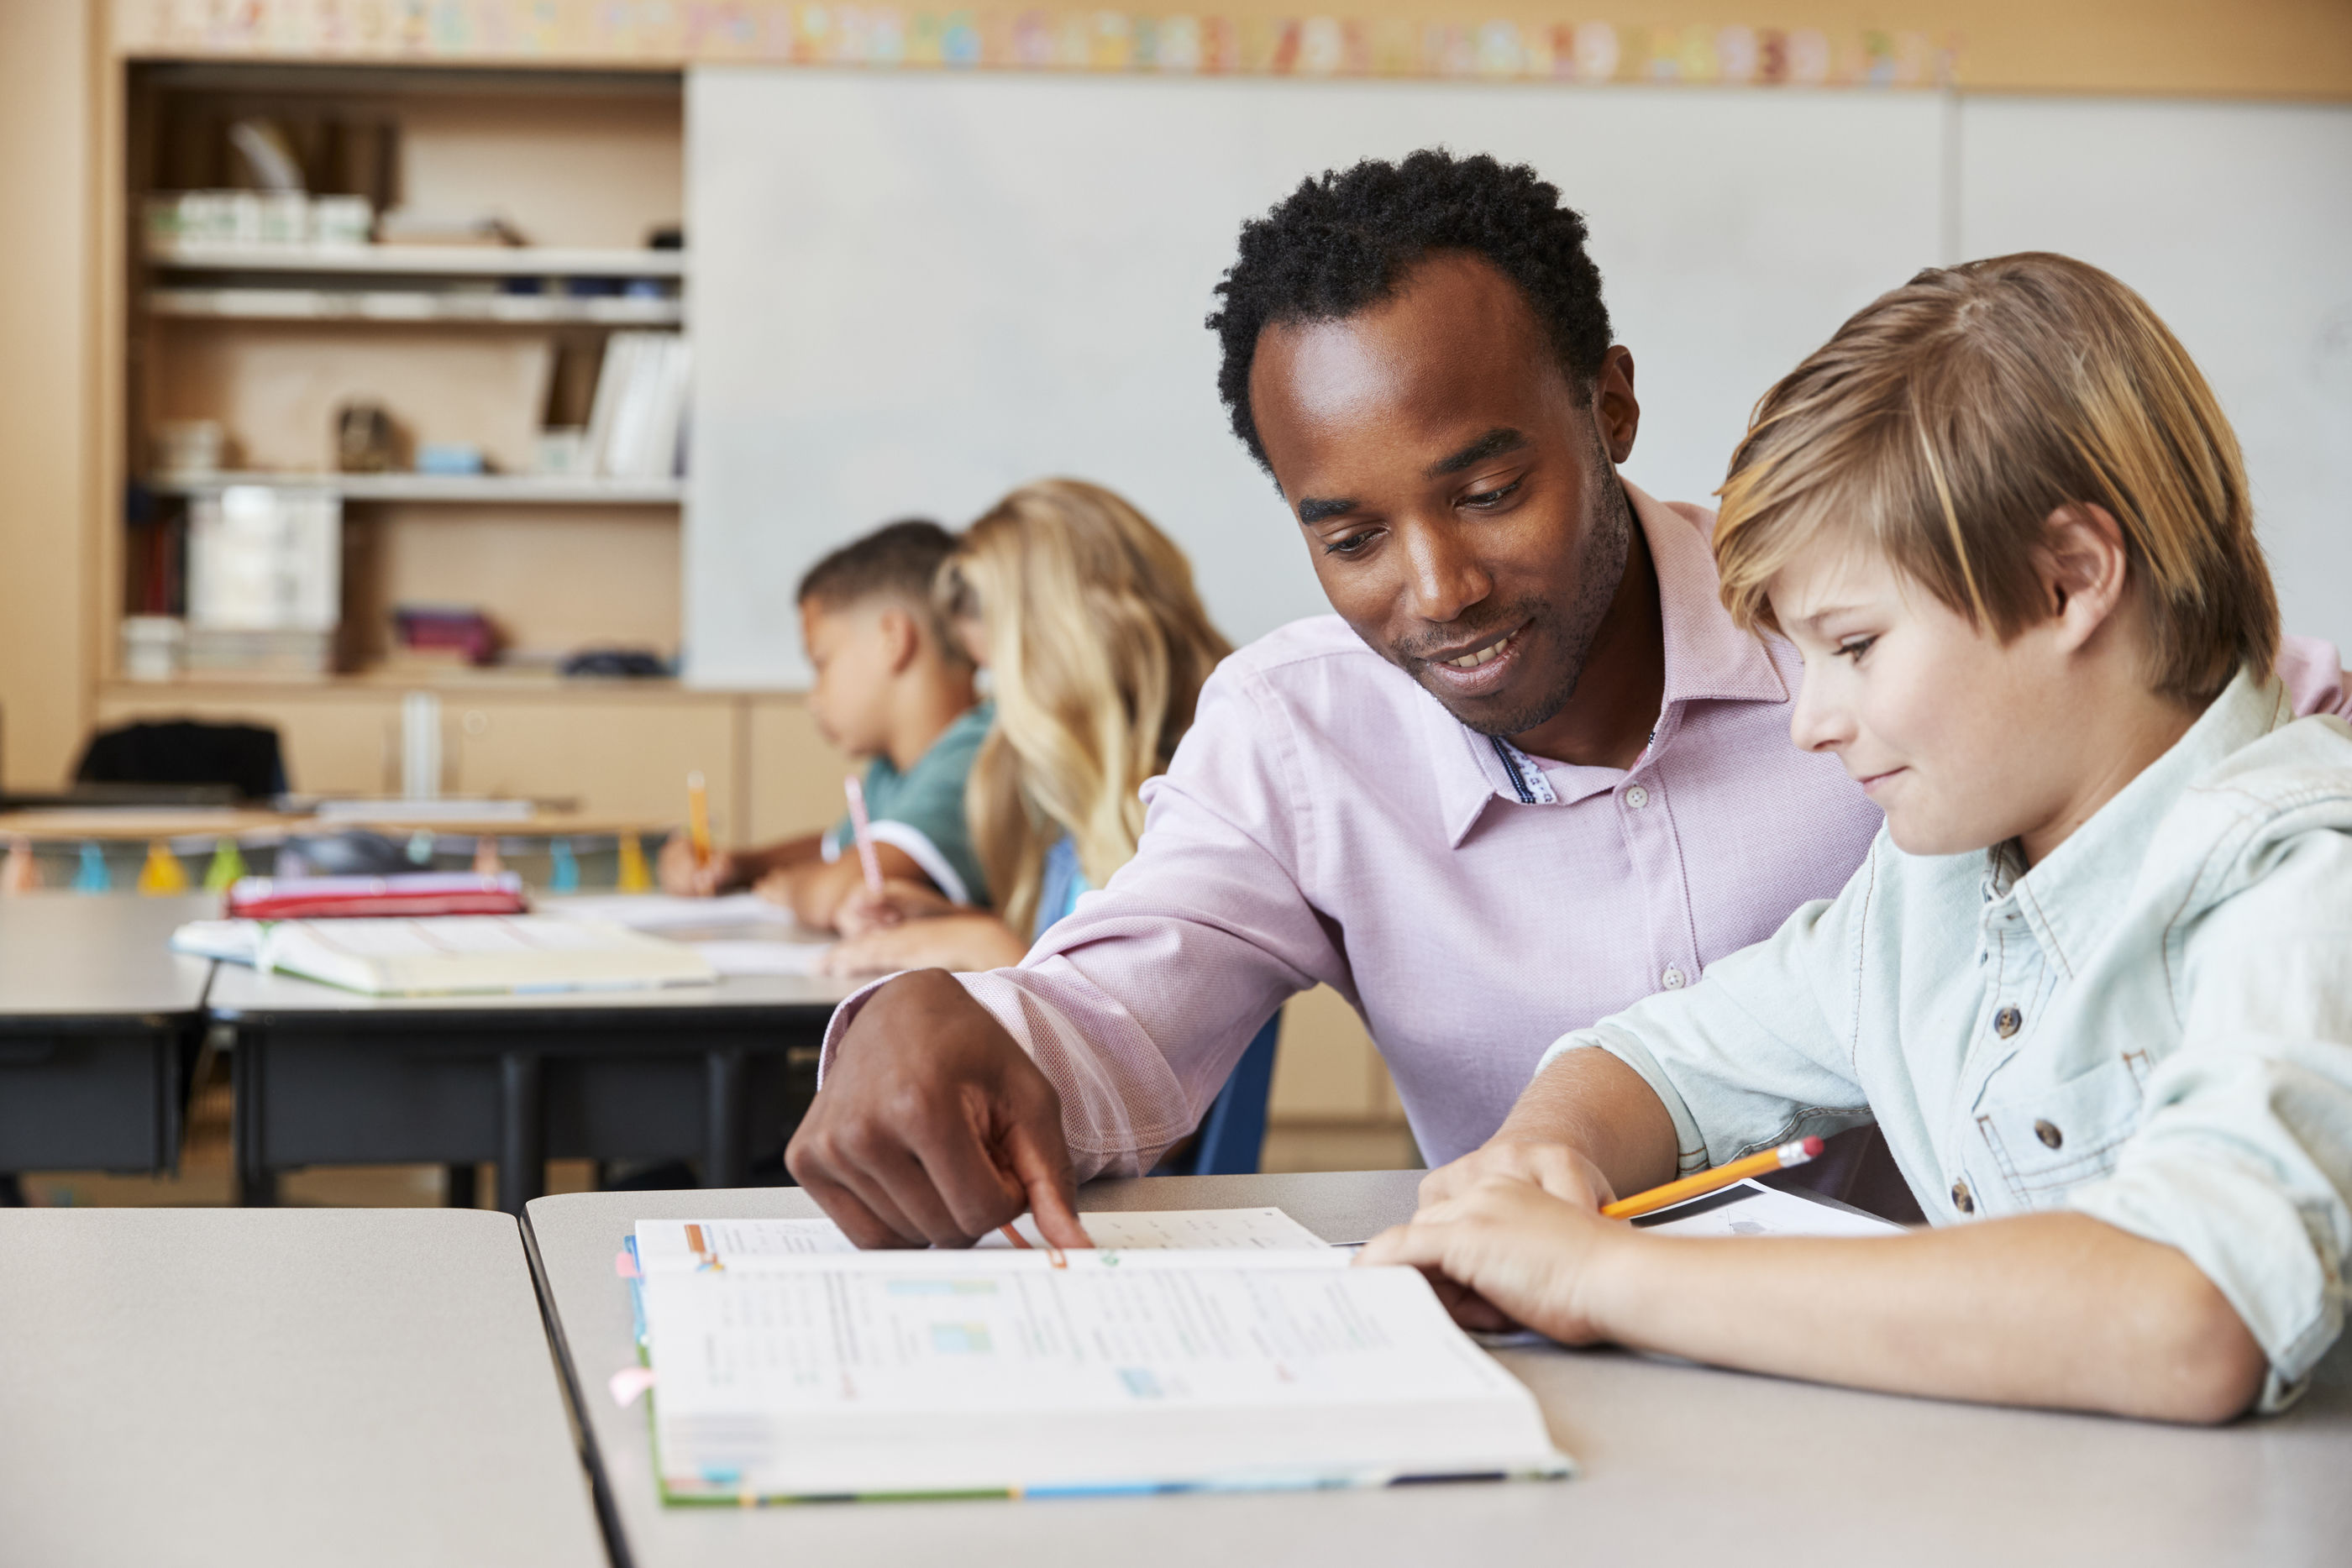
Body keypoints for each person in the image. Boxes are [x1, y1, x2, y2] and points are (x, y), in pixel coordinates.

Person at [786, 151, 2351, 1252]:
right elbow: (1112, 1005)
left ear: (1607, 405)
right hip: (1592, 1392)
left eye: (1489, 487)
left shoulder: (1897, 623)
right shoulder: (1297, 731)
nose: (1438, 585)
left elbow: (2223, 704)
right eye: (1348, 534)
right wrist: (943, 1021)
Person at [1366, 254, 2352, 1424]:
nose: (1810, 720)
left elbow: (2195, 1316)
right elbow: (1669, 1055)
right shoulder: (1934, 883)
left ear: (2068, 578)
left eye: (1856, 644)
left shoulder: (2298, 878)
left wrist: (1604, 1276)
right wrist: (1544, 1153)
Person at [821, 478, 1233, 977]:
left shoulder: (1196, 810)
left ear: (1067, 649)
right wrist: (952, 922)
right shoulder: (1085, 811)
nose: (995, 707)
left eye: (1003, 675)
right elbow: (1086, 962)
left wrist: (984, 945)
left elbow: (1126, 1031)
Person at [659, 519, 992, 931]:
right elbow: (840, 850)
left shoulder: (976, 755)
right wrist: (738, 865)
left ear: (892, 637)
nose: (812, 697)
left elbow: (836, 891)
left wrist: (796, 889)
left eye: (821, 663)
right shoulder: (897, 770)